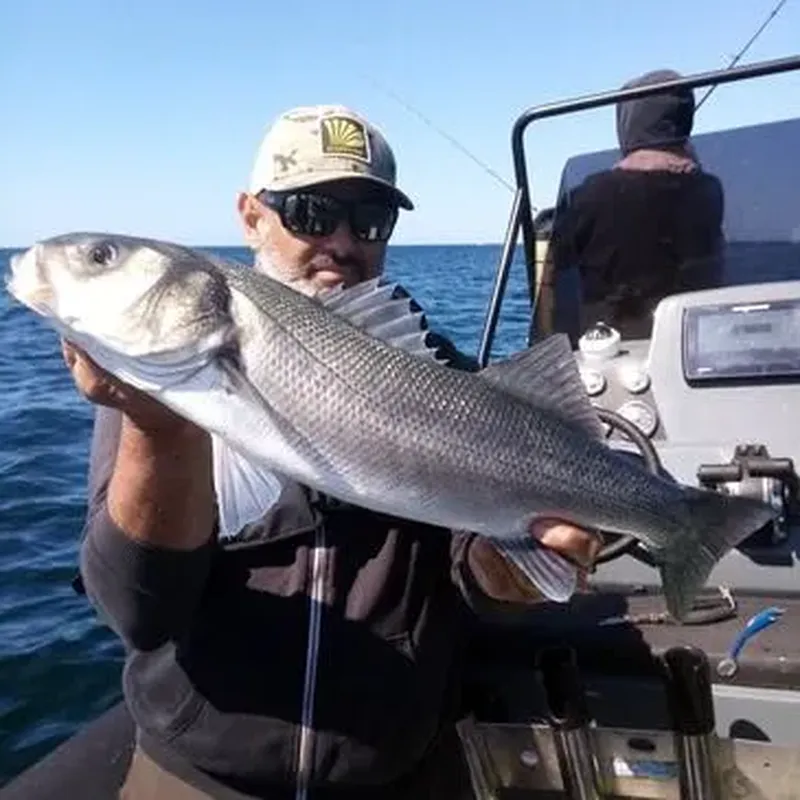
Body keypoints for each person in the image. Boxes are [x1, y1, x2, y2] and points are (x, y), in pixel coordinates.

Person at [65, 104, 600, 799]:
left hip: (395, 771)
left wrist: (518, 572)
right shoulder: (165, 383)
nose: (343, 241)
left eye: (370, 220)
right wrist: (162, 431)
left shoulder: (446, 378)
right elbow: (139, 611)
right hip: (201, 774)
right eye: (311, 212)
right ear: (251, 216)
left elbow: (477, 575)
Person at [547, 69, 725, 340]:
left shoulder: (590, 194)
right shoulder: (709, 190)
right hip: (689, 340)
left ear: (626, 122)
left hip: (608, 345)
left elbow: (556, 266)